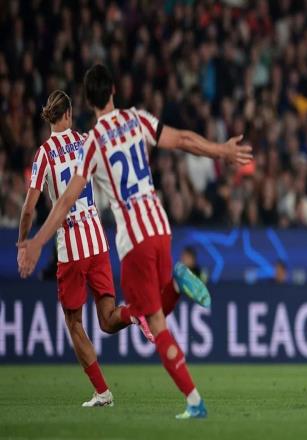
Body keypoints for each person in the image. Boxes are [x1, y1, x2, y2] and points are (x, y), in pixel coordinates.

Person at [18, 64, 253, 418]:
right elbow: (183, 140)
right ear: (114, 90)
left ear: (88, 101)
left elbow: (64, 200)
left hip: (132, 238)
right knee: (144, 314)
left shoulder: (92, 143)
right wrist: (221, 150)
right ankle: (168, 304)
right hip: (159, 225)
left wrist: (36, 242)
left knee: (147, 319)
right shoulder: (136, 119)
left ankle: (191, 400)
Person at [17, 90, 154, 408]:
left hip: (71, 248)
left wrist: (24, 243)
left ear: (51, 117)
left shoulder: (44, 154)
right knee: (108, 319)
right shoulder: (84, 141)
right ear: (68, 114)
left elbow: (28, 209)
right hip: (97, 240)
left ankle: (103, 392)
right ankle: (135, 312)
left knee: (74, 323)